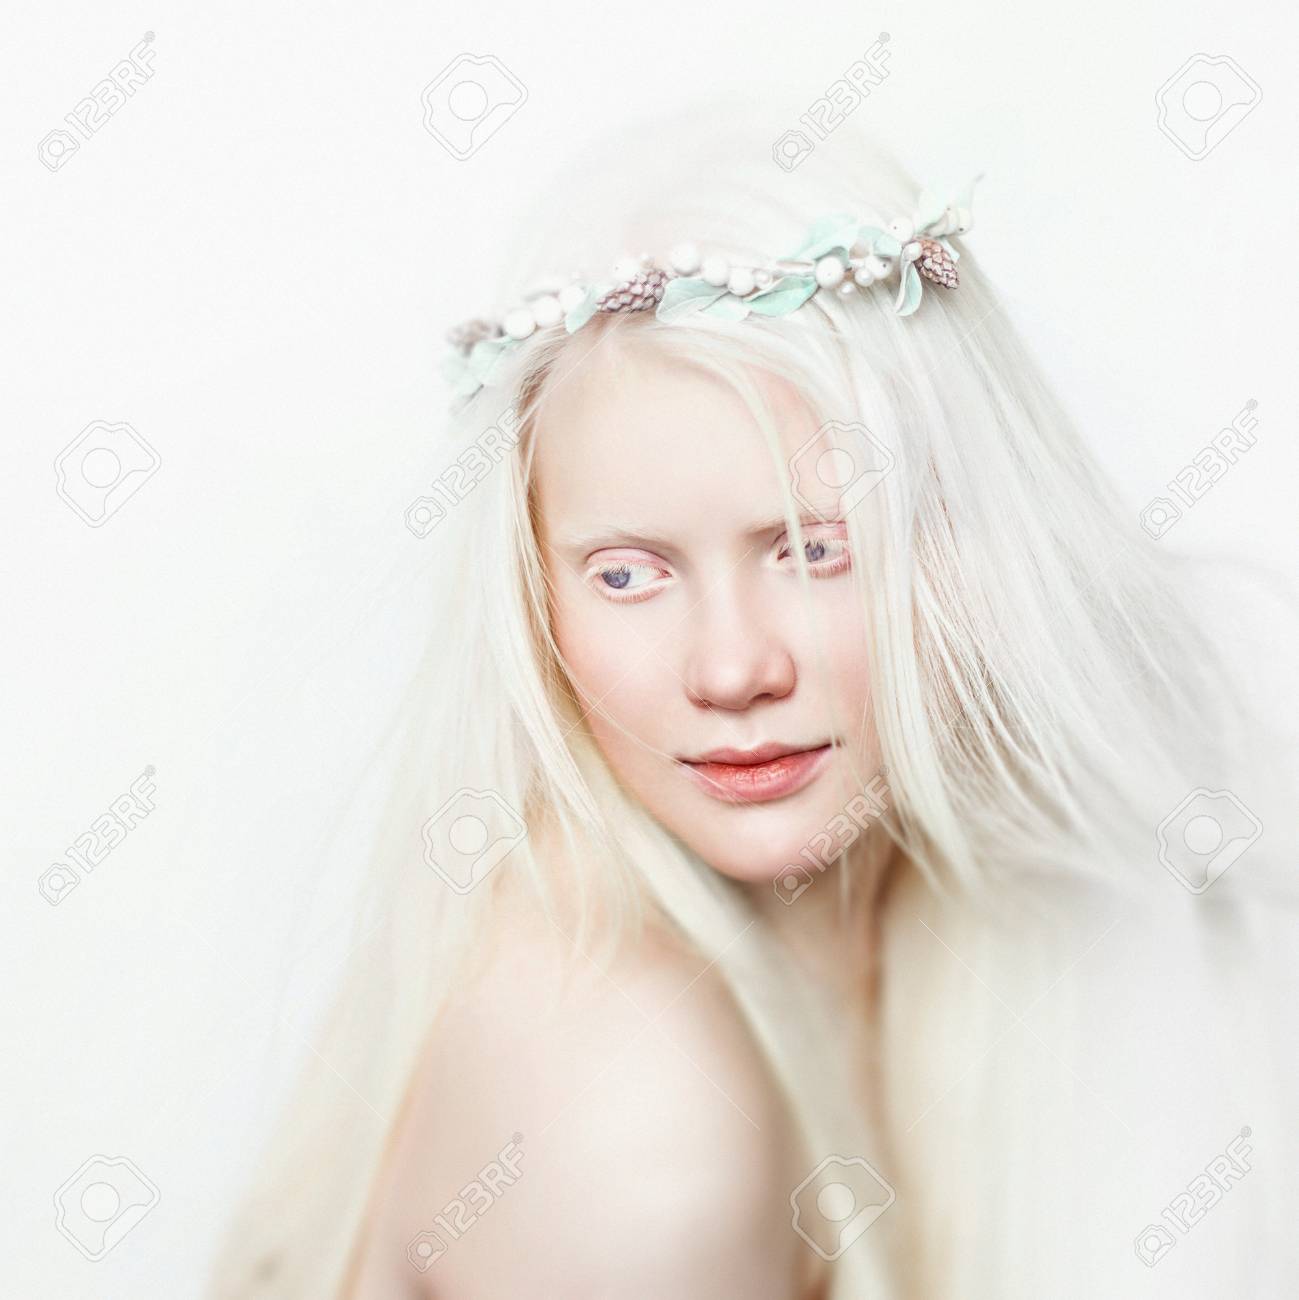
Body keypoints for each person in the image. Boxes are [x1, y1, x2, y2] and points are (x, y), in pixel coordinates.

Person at [206, 108, 1297, 1299]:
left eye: (814, 549)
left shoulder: (975, 938)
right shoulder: (632, 1113)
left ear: (964, 546)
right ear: (533, 600)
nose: (731, 671)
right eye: (627, 574)